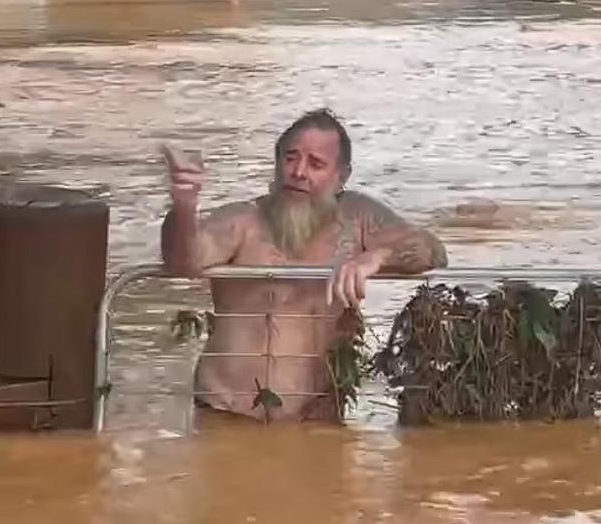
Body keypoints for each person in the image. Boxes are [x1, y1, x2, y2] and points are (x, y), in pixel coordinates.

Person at [160, 109, 448, 423]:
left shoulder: (358, 218)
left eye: (316, 164)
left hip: (319, 418)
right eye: (290, 158)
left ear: (341, 177)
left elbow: (432, 251)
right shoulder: (243, 220)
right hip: (229, 414)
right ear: (277, 163)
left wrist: (377, 257)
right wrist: (184, 207)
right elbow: (181, 261)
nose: (298, 171)